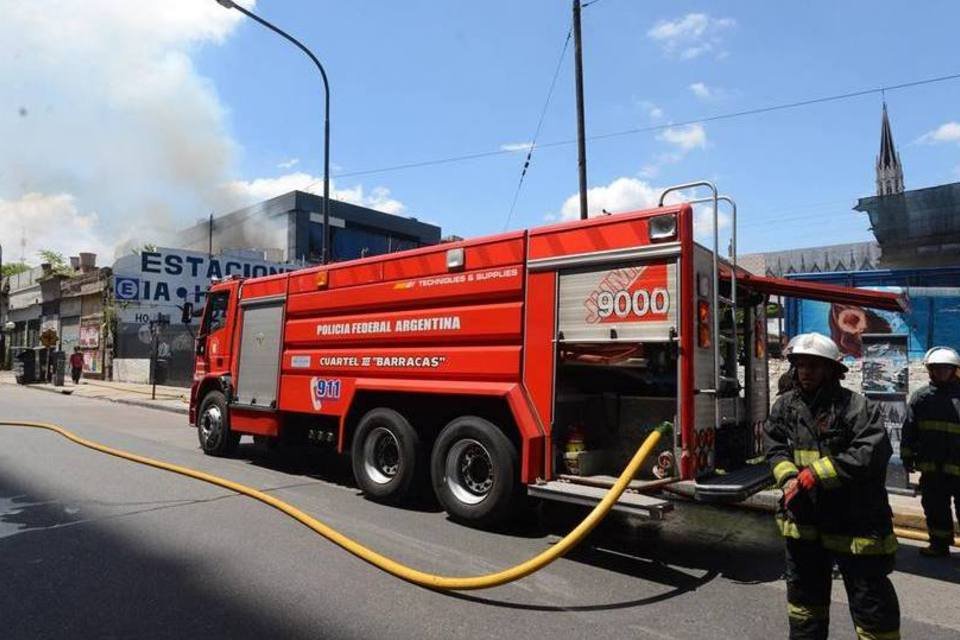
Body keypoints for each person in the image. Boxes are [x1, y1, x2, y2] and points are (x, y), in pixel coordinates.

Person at [765, 332, 900, 640]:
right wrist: (787, 478)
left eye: (814, 365)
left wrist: (819, 472)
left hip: (854, 523)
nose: (805, 372)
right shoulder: (786, 407)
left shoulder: (856, 408)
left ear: (832, 370)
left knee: (872, 607)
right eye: (800, 364)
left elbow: (872, 453)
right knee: (804, 606)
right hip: (805, 521)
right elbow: (774, 446)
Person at [900, 346, 960, 557]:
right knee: (935, 508)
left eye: (946, 369)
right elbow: (909, 429)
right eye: (937, 369)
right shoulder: (921, 398)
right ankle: (939, 544)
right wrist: (907, 457)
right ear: (930, 370)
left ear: (954, 371)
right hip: (932, 468)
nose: (942, 372)